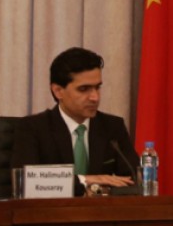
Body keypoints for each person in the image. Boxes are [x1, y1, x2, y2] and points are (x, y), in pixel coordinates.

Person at [11, 47, 139, 194]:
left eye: (97, 87)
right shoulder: (32, 128)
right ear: (58, 91)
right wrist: (86, 180)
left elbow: (134, 178)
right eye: (84, 89)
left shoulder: (112, 127)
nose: (95, 97)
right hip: (49, 214)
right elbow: (26, 182)